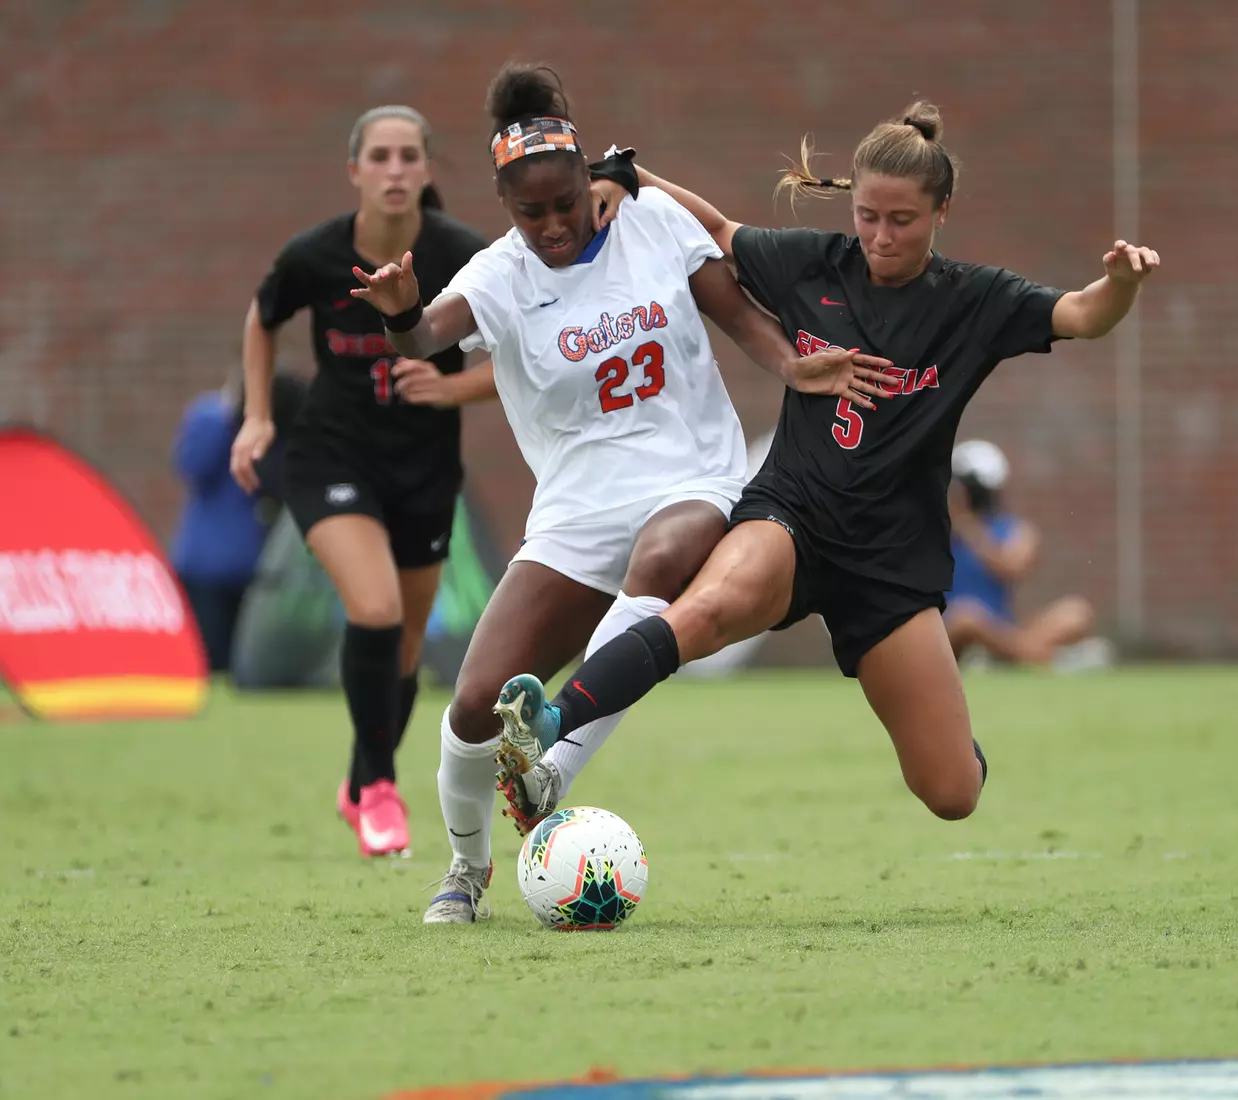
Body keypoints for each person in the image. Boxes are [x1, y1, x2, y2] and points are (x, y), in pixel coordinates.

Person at [492, 100, 1160, 828]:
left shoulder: (974, 299)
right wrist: (626, 173)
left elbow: (1083, 314)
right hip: (792, 518)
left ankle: (955, 742)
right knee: (704, 611)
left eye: (901, 220)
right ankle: (552, 726)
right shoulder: (814, 264)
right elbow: (716, 230)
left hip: (889, 561)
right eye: (867, 216)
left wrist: (1121, 284)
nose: (880, 236)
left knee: (952, 794)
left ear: (942, 211)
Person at [348, 63, 894, 922]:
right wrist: (401, 310)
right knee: (473, 707)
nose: (554, 225)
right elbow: (424, 336)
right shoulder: (499, 275)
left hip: (694, 476)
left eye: (566, 202)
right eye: (531, 213)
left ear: (587, 180)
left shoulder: (650, 219)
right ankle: (466, 869)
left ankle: (554, 763)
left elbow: (739, 315)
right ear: (505, 206)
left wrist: (795, 366)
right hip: (576, 512)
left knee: (666, 553)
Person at [230, 105, 500, 859]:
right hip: (331, 460)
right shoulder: (316, 255)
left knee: (406, 646)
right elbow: (262, 317)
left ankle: (359, 781)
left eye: (409, 155)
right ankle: (381, 788)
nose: (394, 169)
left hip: (424, 468)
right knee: (375, 610)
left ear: (428, 168)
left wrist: (451, 388)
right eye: (379, 156)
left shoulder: (464, 255)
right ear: (354, 170)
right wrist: (258, 418)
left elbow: (528, 354)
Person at [171, 370, 306, 673]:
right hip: (206, 568)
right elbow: (192, 466)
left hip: (254, 567)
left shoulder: (277, 432)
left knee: (242, 662)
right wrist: (230, 416)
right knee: (210, 658)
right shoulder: (212, 418)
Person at [944, 439, 1112, 672]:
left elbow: (1013, 568)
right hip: (950, 628)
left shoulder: (1014, 530)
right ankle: (1053, 660)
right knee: (966, 618)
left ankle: (1002, 656)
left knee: (1076, 612)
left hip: (1001, 628)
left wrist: (970, 529)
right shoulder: (937, 530)